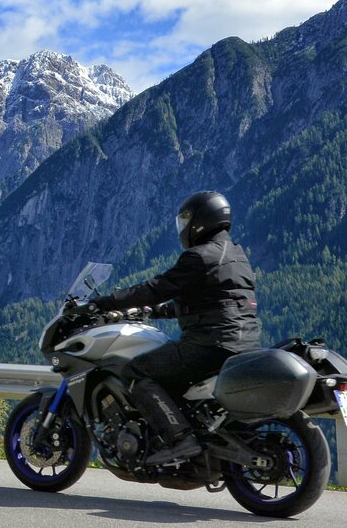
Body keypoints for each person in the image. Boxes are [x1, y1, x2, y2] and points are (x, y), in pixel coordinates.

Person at [88, 191, 260, 465]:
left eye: (186, 220)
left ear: (201, 221)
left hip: (208, 344)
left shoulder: (200, 256)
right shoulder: (237, 256)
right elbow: (206, 302)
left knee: (136, 371)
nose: (184, 227)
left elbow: (156, 288)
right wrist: (154, 312)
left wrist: (104, 303)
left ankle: (180, 439)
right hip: (243, 344)